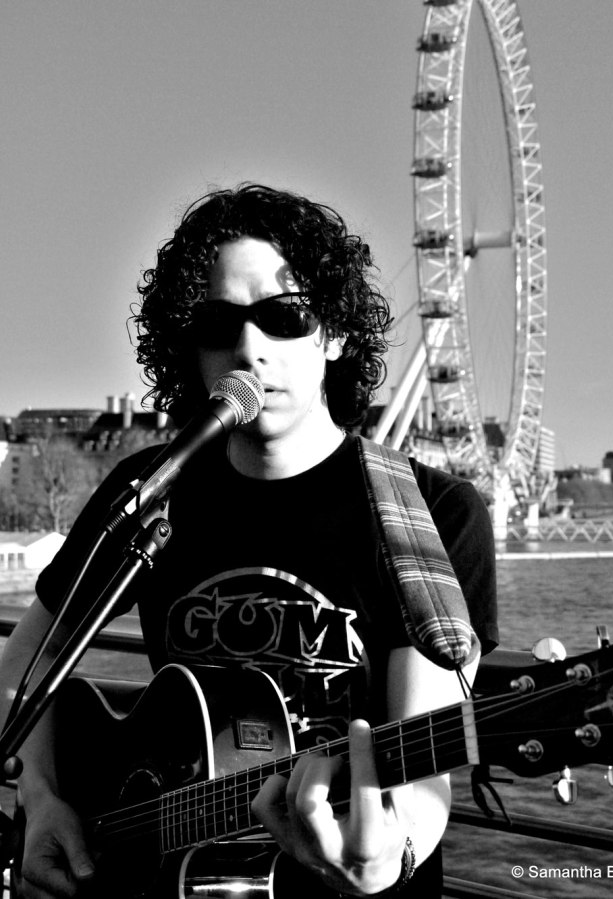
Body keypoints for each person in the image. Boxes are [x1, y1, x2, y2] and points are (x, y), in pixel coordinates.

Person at [0, 183, 498, 898]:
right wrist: (43, 799)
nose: (248, 348)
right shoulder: (151, 490)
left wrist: (394, 848)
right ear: (190, 348)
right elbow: (23, 668)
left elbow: (426, 757)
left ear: (335, 335)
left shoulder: (432, 513)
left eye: (283, 317)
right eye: (217, 324)